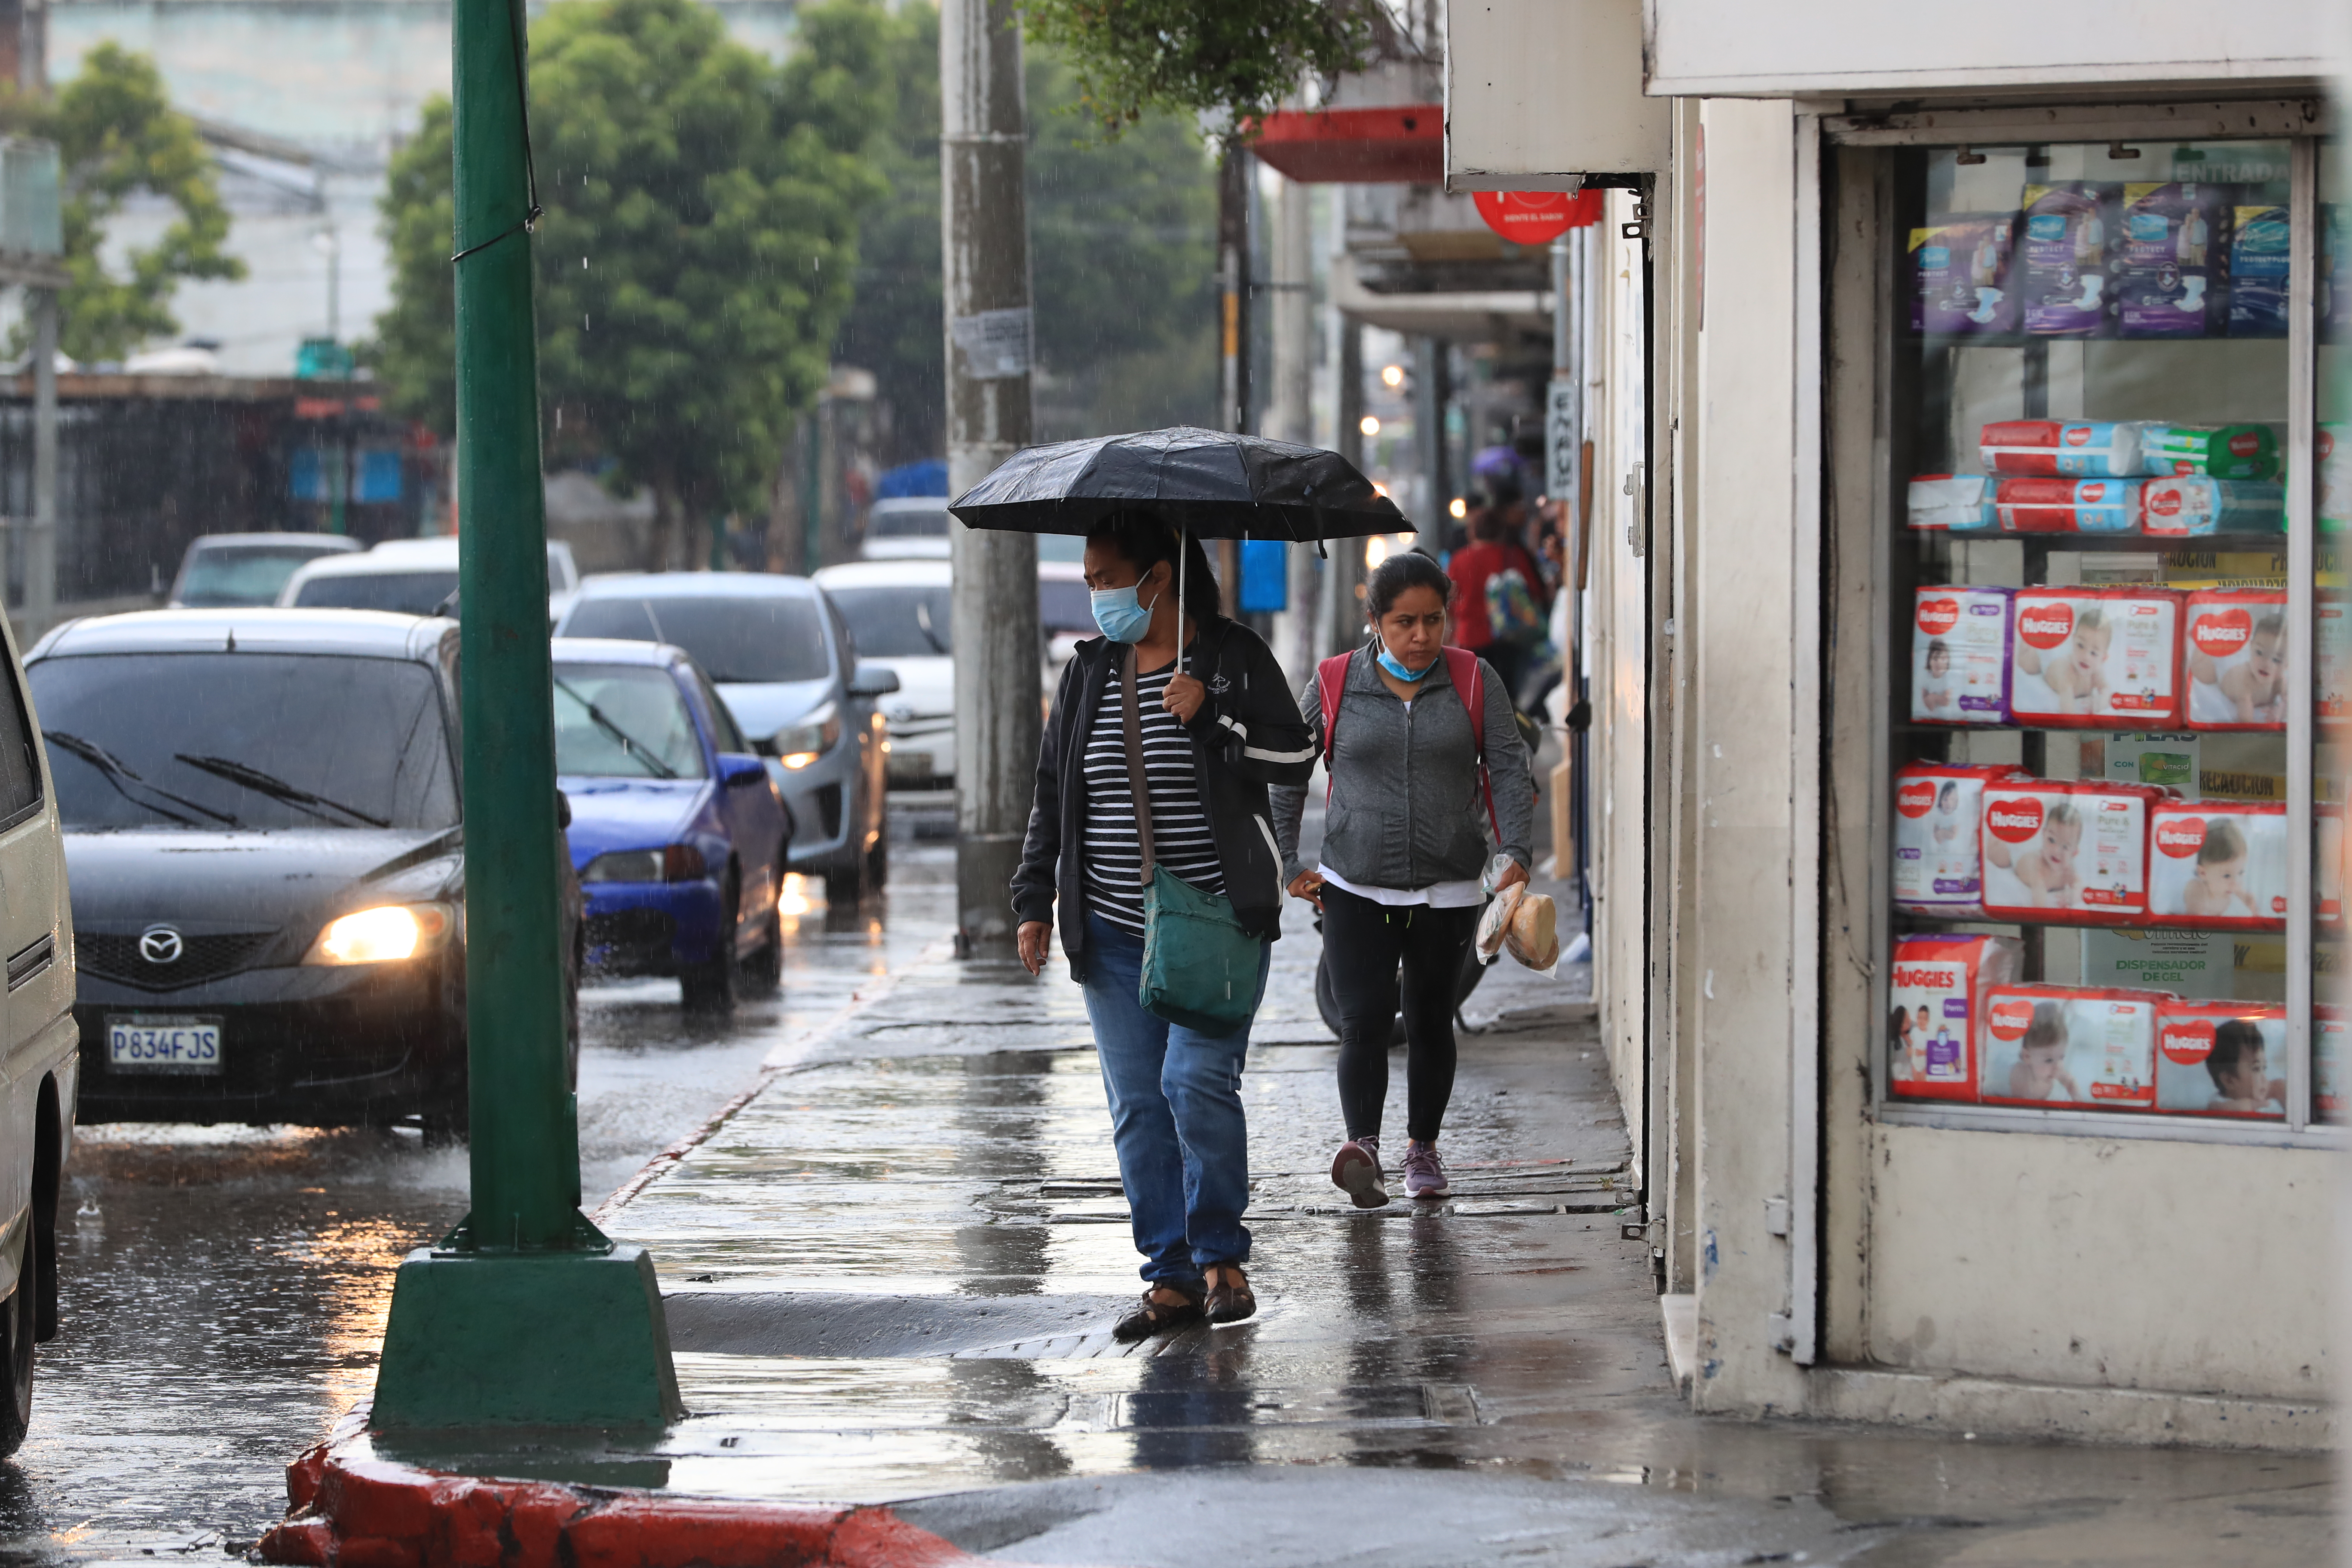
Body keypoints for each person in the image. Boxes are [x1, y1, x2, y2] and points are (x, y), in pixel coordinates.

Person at [1012, 511, 1316, 1341]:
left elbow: (1296, 759)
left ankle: (1222, 1255)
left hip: (1215, 924)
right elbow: (1055, 791)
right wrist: (1034, 898)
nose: (1095, 593)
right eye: (1089, 581)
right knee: (1139, 1106)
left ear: (1158, 577)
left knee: (1193, 1081)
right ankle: (1171, 1277)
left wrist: (1214, 721)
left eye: (1105, 578)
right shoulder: (1088, 673)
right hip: (1110, 928)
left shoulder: (1232, 657)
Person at [1271, 550, 1535, 1208]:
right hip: (1354, 884)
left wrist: (1516, 853)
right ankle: (1362, 1147)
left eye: (1434, 620)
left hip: (1448, 887)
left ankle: (1423, 1149)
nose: (1421, 636)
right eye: (1404, 623)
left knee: (1429, 1018)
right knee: (1361, 1020)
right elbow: (1288, 769)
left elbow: (1507, 766)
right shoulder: (1333, 683)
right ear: (1374, 622)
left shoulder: (1475, 680)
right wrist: (1287, 862)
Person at [1446, 477, 1549, 712]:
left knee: (1475, 698)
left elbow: (1450, 602)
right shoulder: (1511, 555)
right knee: (1506, 695)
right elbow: (1533, 592)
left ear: (1474, 531)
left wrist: (1451, 637)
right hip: (1508, 636)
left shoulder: (1459, 560)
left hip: (1470, 639)